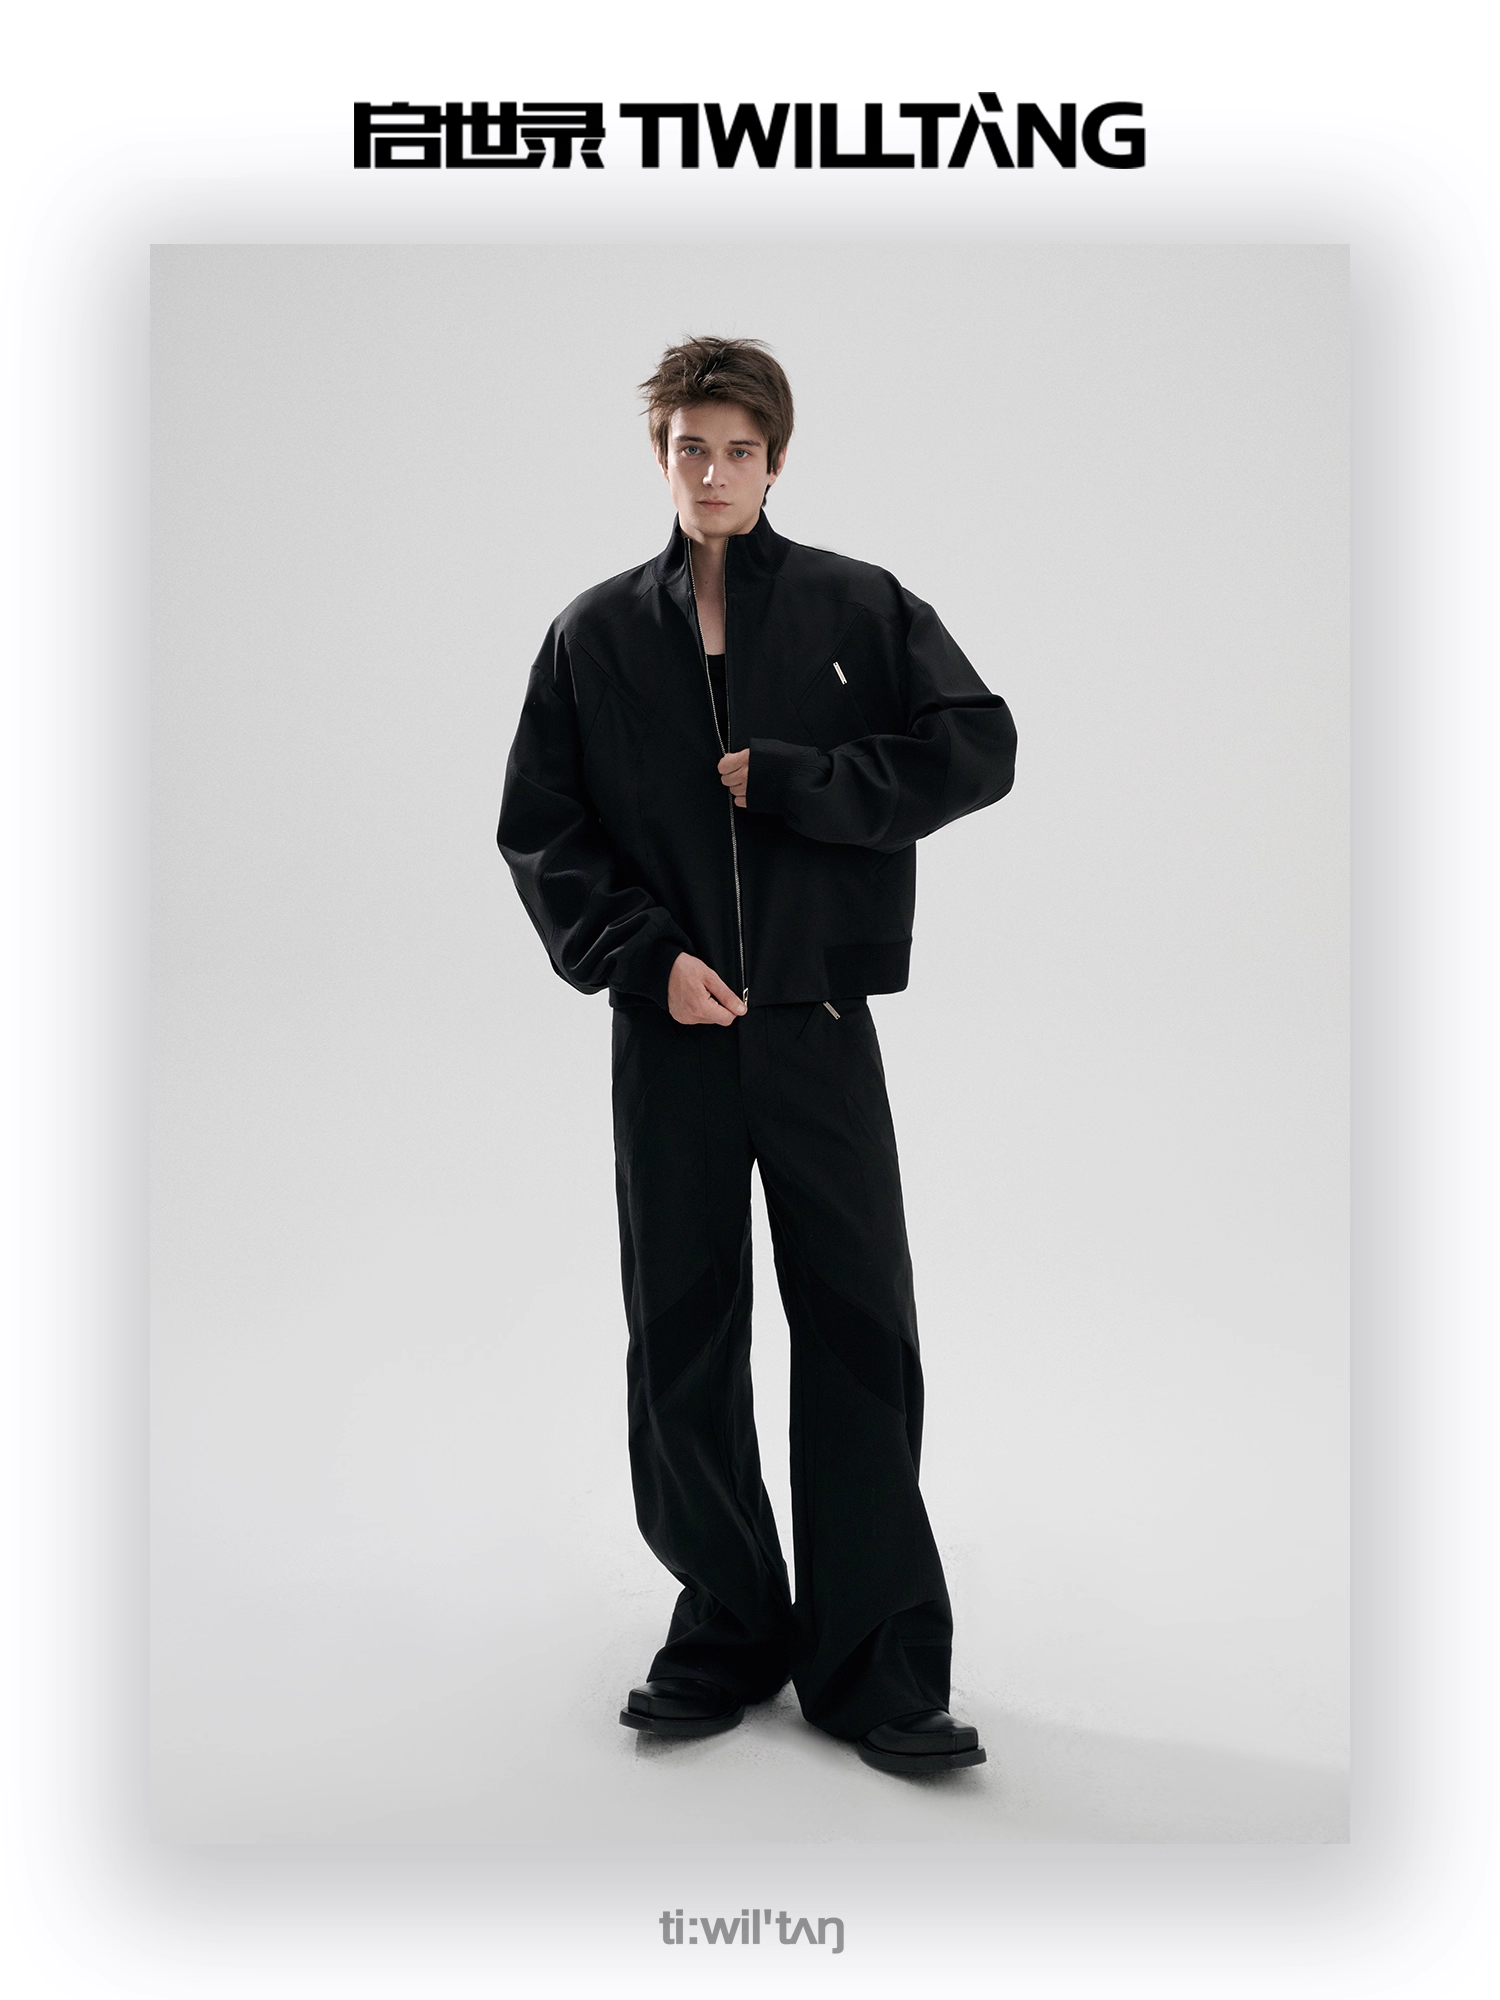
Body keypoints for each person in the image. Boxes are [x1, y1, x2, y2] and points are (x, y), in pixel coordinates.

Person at [496, 336, 1017, 1775]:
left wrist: (808, 784)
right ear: (660, 458)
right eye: (691, 448)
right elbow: (542, 830)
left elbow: (979, 747)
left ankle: (876, 1660)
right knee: (683, 1327)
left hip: (818, 1023)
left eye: (738, 449)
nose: (714, 472)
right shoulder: (594, 636)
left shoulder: (860, 606)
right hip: (669, 1031)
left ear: (776, 460)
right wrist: (643, 960)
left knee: (858, 1323)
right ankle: (726, 1621)